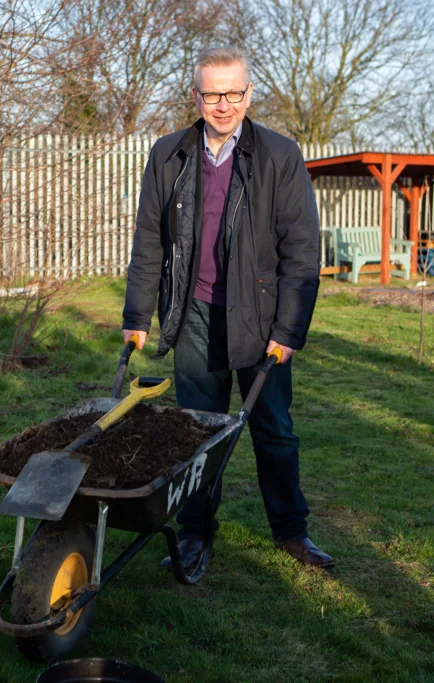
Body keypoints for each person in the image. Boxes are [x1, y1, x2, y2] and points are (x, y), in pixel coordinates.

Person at [120, 46, 333, 571]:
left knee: (274, 430)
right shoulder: (169, 154)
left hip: (262, 322)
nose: (223, 104)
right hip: (194, 316)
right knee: (195, 433)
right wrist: (136, 315)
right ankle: (195, 533)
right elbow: (150, 239)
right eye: (212, 93)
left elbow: (302, 251)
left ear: (248, 94)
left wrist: (289, 330)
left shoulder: (279, 156)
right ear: (195, 96)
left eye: (233, 93)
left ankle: (291, 531)